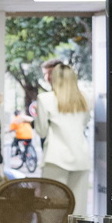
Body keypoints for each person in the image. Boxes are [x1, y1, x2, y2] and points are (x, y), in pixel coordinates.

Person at [38, 60, 93, 203]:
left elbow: (42, 131)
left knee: (52, 206)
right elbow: (84, 123)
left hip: (55, 158)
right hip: (81, 156)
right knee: (78, 206)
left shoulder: (45, 99)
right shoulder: (85, 98)